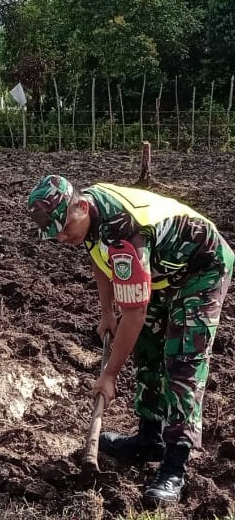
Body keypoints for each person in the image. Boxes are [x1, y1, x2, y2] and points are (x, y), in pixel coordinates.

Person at [27, 174, 233, 505]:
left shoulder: (122, 231)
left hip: (201, 268)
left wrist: (108, 375)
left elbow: (134, 312)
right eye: (55, 234)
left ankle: (174, 466)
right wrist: (107, 313)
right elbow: (99, 258)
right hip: (162, 271)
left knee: (183, 358)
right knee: (147, 345)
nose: (62, 237)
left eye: (63, 228)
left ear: (79, 206)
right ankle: (148, 439)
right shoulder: (89, 217)